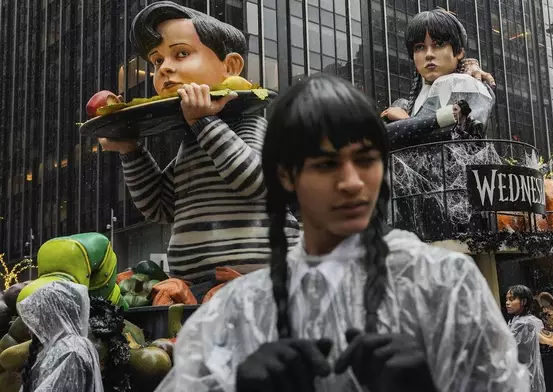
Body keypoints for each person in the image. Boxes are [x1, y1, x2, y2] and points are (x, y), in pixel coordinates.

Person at [155, 74, 528, 392]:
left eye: (366, 160)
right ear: (286, 176)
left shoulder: (446, 285)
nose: (352, 183)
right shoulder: (238, 311)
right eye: (326, 164)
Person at [97, 1, 299, 285]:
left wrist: (204, 123)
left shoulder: (250, 124)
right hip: (194, 289)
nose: (165, 68)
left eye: (181, 54)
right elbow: (161, 207)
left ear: (230, 66)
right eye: (157, 61)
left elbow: (256, 180)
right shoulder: (194, 140)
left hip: (263, 283)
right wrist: (132, 151)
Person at [381, 10, 495, 150]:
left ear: (459, 52)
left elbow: (464, 135)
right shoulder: (406, 103)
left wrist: (406, 122)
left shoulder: (466, 83)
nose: (429, 54)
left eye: (439, 44)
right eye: (420, 47)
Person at [18, 281, 103, 392]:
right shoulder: (61, 348)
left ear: (53, 315)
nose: (32, 327)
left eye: (37, 316)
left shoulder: (71, 350)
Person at [506, 285, 546, 392]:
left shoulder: (522, 323)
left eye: (512, 299)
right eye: (507, 299)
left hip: (523, 371)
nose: (507, 303)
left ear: (523, 302)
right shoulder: (525, 320)